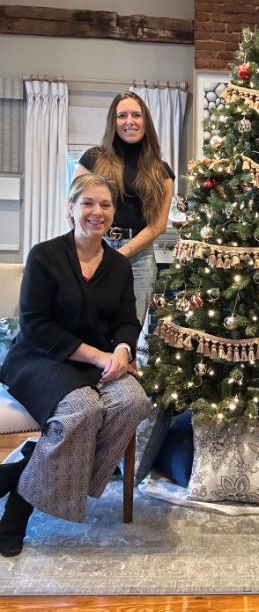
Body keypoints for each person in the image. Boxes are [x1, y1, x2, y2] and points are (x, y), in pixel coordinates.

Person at [0, 174, 150, 557]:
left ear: (113, 212)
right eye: (88, 203)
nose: (96, 212)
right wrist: (100, 356)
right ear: (70, 208)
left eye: (105, 205)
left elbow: (126, 321)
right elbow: (35, 325)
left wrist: (122, 350)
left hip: (99, 360)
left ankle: (21, 474)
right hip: (40, 357)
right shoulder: (45, 255)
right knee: (82, 409)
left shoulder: (118, 265)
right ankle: (18, 512)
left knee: (133, 402)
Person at [72, 91, 174, 324]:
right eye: (122, 115)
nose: (130, 121)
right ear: (113, 121)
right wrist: (88, 249)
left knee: (128, 329)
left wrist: (119, 256)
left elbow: (157, 226)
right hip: (93, 249)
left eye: (136, 115)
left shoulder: (162, 172)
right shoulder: (92, 159)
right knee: (88, 325)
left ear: (145, 121)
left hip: (139, 259)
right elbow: (73, 208)